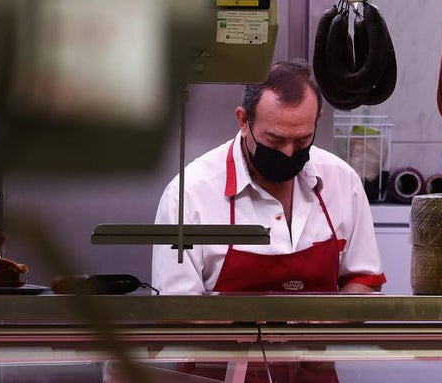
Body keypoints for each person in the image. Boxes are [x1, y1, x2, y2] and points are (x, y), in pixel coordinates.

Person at [153, 59, 385, 295]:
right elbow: (177, 307)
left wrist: (316, 328)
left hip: (320, 333)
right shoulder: (189, 194)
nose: (288, 152)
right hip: (228, 333)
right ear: (244, 121)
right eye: (275, 140)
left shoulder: (343, 181)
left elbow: (363, 280)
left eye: (302, 140)